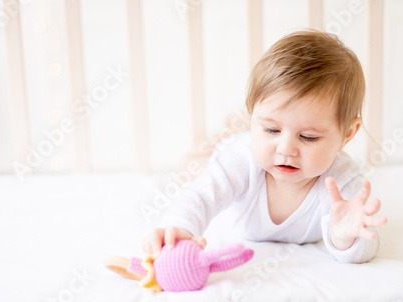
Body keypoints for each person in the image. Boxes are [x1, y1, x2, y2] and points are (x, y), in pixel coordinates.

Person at [143, 30, 387, 263]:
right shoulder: (241, 159)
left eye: (308, 137)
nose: (285, 149)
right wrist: (179, 227)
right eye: (272, 130)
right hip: (230, 151)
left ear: (347, 134)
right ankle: (231, 130)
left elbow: (367, 244)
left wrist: (345, 237)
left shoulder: (342, 181)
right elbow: (201, 196)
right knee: (192, 169)